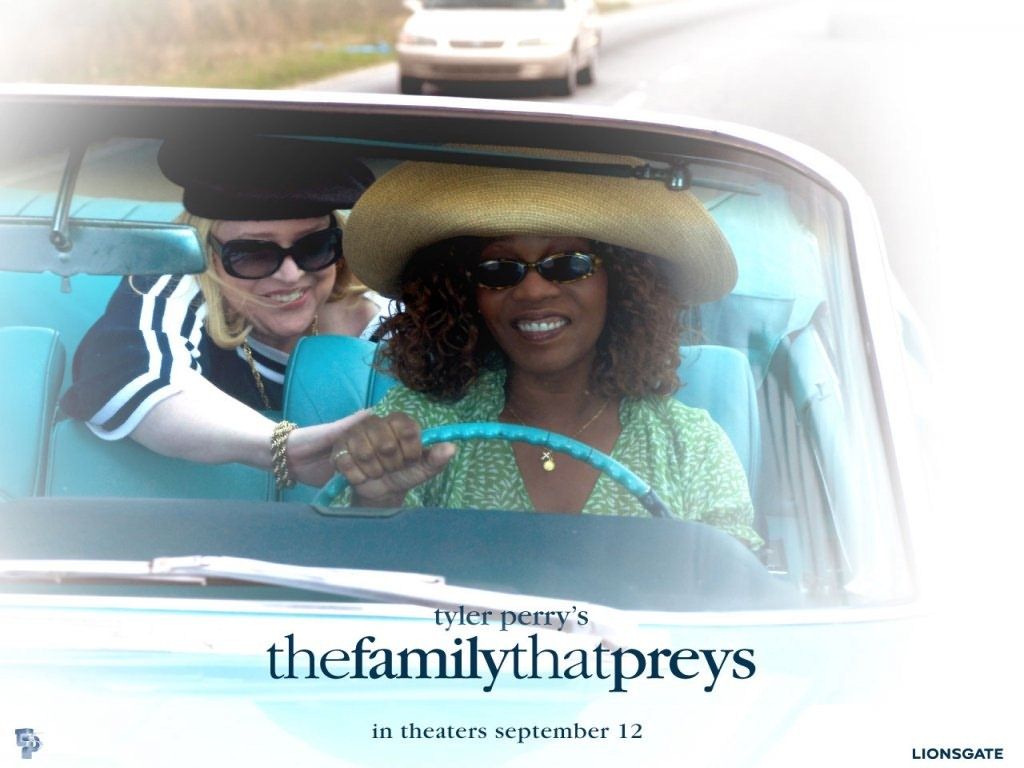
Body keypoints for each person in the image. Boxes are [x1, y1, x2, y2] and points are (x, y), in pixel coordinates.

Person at [329, 152, 762, 549]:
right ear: (466, 293)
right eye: (499, 269)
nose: (533, 290)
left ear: (622, 282)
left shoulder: (690, 444)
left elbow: (736, 589)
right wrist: (377, 502)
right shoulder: (420, 422)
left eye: (568, 264)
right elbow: (360, 582)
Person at [61, 136, 387, 491]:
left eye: (315, 246)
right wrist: (285, 448)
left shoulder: (385, 315)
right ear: (206, 252)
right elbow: (132, 376)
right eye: (253, 253)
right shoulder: (177, 281)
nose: (291, 274)